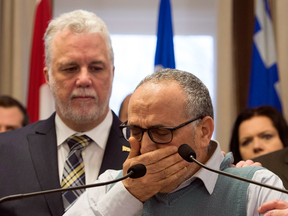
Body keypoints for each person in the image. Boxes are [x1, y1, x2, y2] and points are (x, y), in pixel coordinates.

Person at [65, 69, 288, 216]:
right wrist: (127, 195)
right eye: (135, 131)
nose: (145, 147)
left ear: (203, 131)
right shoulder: (109, 185)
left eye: (161, 132)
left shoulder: (256, 186)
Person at [0, 10, 130, 215]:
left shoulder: (145, 150)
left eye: (96, 68)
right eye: (70, 68)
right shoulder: (5, 151)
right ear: (48, 76)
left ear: (112, 74)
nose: (84, 79)